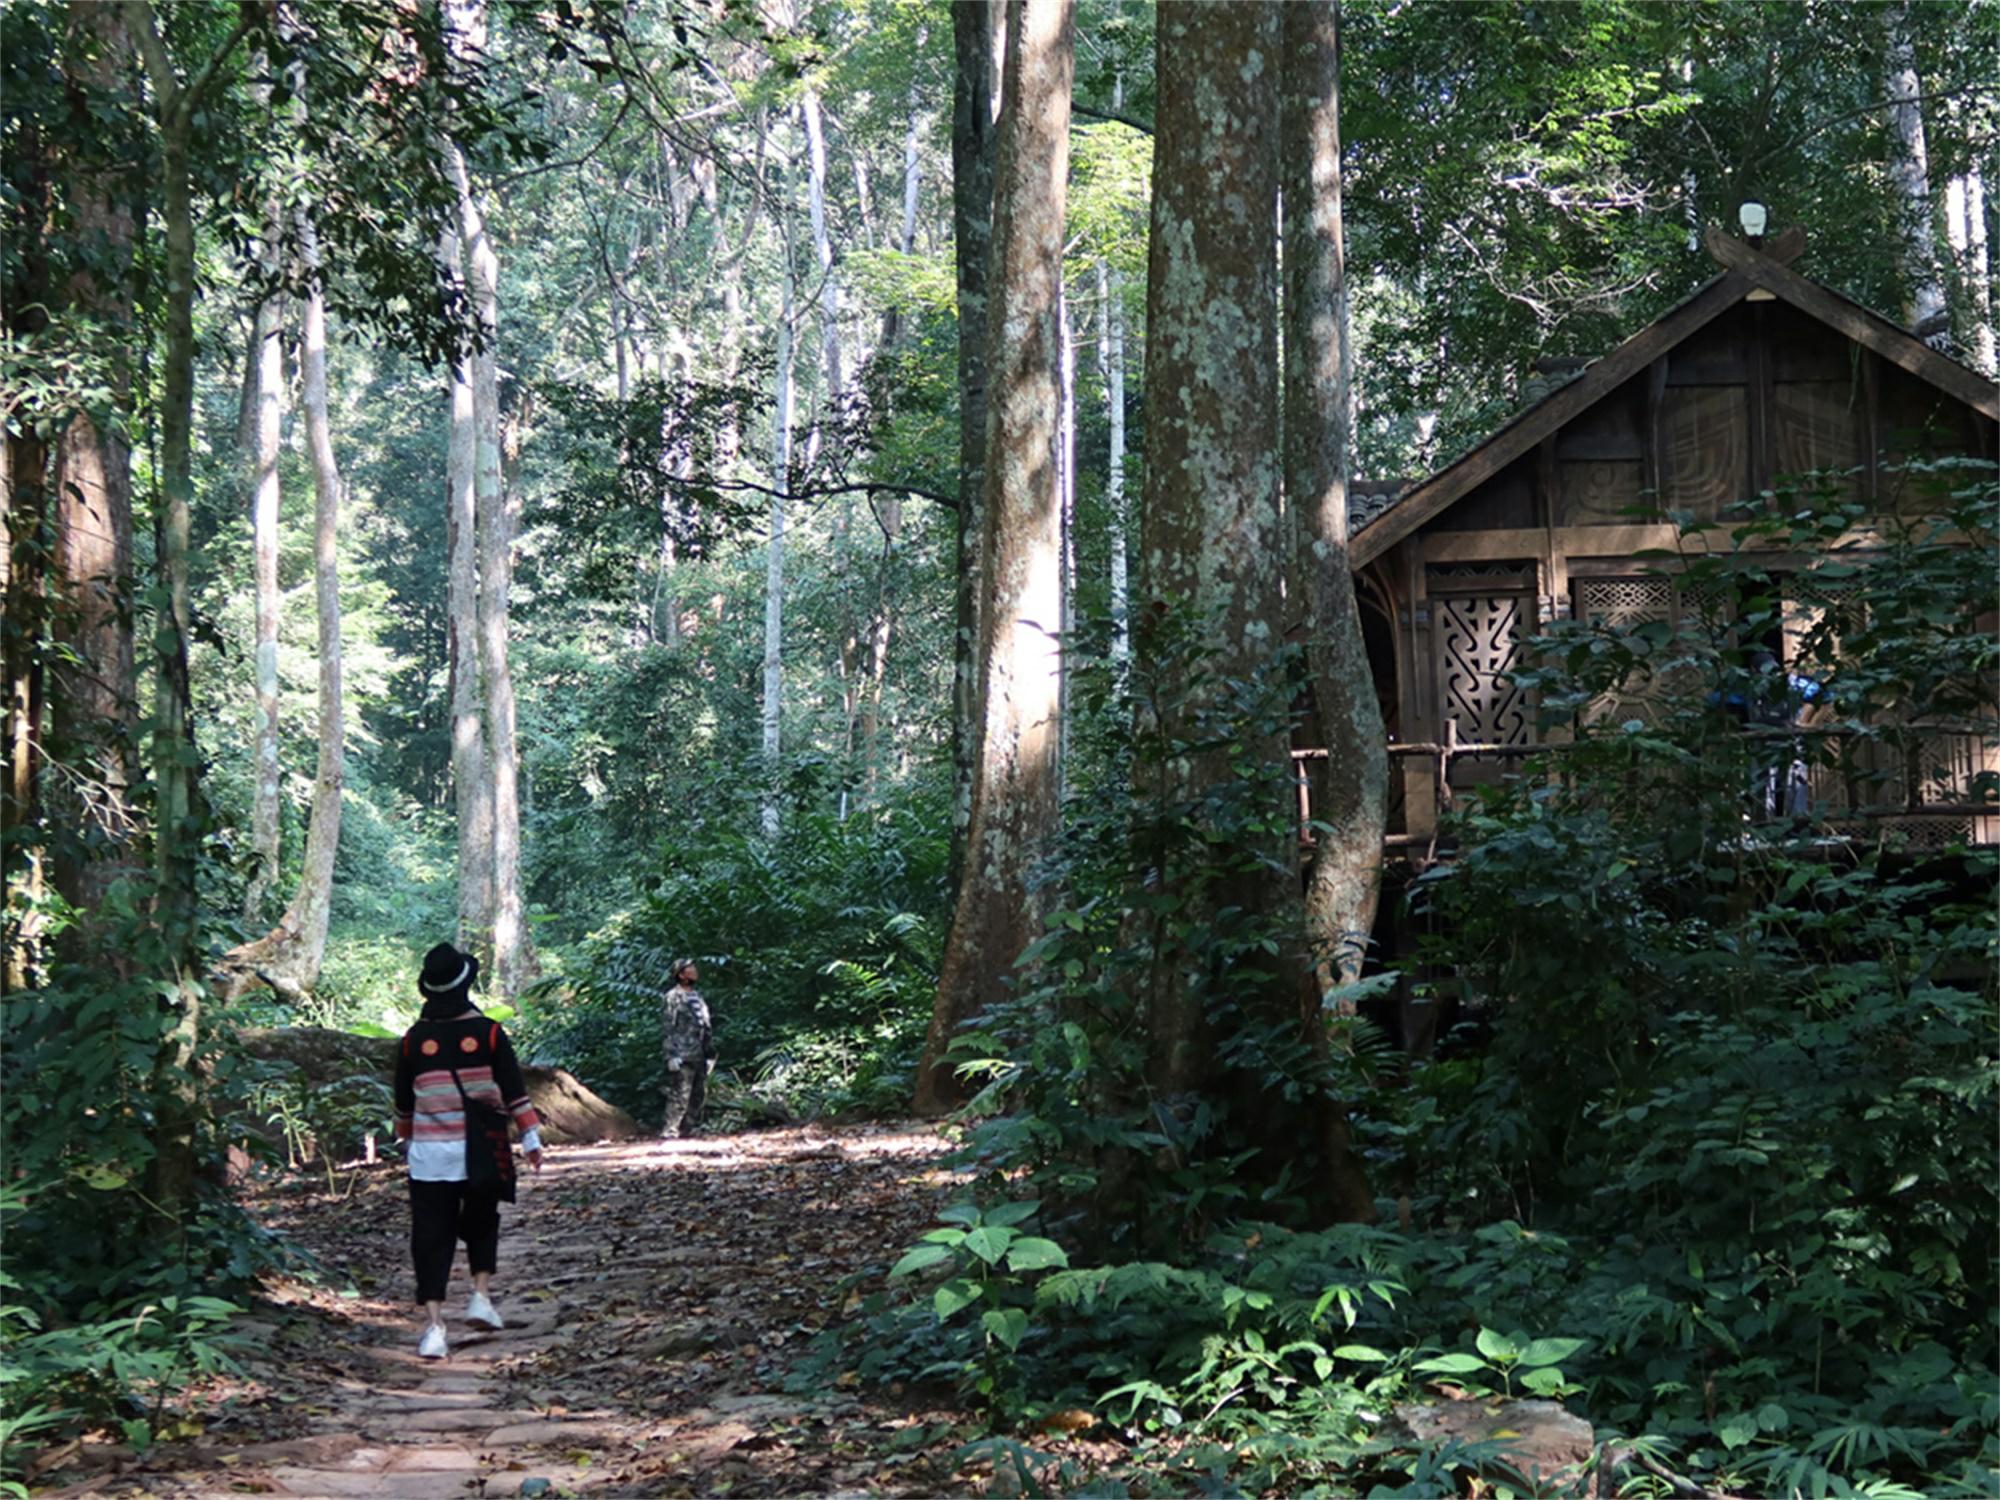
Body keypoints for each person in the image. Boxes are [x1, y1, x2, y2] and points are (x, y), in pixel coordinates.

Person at [393, 942, 543, 1360]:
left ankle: (435, 1327)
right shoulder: (490, 1034)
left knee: (430, 1238)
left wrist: (409, 1143)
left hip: (429, 1158)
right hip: (482, 1149)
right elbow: (515, 1093)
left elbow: (403, 1105)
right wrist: (531, 1139)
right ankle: (480, 1297)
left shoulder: (413, 1041)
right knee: (481, 1222)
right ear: (465, 985)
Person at [659, 958, 715, 1138]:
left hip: (699, 1053)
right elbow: (668, 1027)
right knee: (680, 1094)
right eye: (690, 969)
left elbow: (705, 1026)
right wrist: (671, 1055)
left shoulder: (698, 996)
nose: (695, 971)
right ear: (681, 975)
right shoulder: (673, 997)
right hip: (682, 1053)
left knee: (698, 1094)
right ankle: (670, 1130)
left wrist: (710, 1053)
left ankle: (688, 1129)